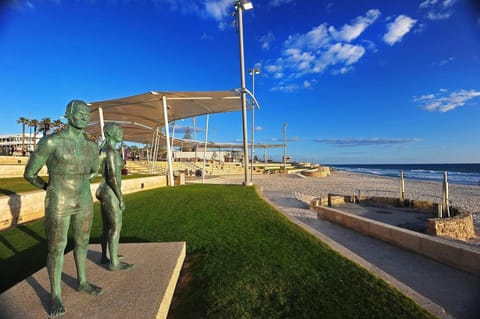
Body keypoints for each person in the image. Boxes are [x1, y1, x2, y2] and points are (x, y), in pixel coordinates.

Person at [24, 100, 103, 318]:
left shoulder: (91, 145)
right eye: (79, 113)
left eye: (87, 114)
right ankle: (55, 294)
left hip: (84, 200)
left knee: (83, 242)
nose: (84, 117)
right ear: (68, 115)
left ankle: (83, 281)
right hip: (59, 200)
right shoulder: (52, 142)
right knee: (57, 247)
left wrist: (80, 183)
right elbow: (30, 173)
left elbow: (95, 170)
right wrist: (48, 187)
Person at [96, 123, 134, 271]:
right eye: (118, 131)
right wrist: (121, 197)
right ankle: (114, 263)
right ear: (110, 134)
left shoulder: (106, 149)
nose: (121, 133)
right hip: (110, 191)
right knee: (116, 227)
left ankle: (106, 256)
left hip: (104, 190)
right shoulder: (110, 151)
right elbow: (112, 177)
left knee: (107, 227)